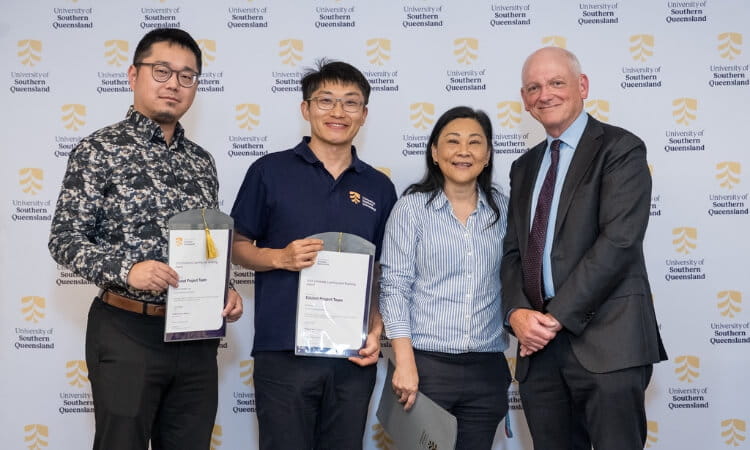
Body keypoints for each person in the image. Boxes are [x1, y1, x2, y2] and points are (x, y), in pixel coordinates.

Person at [48, 28, 243, 450]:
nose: (174, 84)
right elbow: (64, 239)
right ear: (133, 75)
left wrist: (222, 287)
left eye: (187, 76)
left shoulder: (201, 162)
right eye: (162, 71)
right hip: (126, 330)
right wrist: (127, 270)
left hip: (195, 338)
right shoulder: (98, 149)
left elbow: (206, 243)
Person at [501, 46, 667, 449]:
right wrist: (517, 313)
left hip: (608, 343)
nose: (545, 94)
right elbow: (512, 254)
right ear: (524, 100)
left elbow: (619, 242)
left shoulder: (621, 149)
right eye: (534, 87)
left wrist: (554, 318)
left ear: (582, 86)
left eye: (557, 82)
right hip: (539, 355)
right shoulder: (523, 167)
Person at [230, 59, 397, 449]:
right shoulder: (268, 171)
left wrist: (376, 329)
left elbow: (384, 274)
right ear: (305, 109)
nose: (338, 112)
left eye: (350, 102)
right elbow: (237, 248)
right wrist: (280, 258)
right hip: (284, 352)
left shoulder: (380, 187)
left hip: (352, 357)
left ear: (364, 114)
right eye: (326, 101)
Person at [380, 106, 512, 449]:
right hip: (427, 369)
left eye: (475, 142)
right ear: (435, 153)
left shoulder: (503, 209)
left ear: (487, 155)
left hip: (487, 369)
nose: (463, 151)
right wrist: (405, 363)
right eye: (452, 142)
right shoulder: (411, 209)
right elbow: (395, 288)